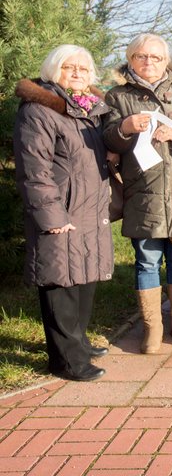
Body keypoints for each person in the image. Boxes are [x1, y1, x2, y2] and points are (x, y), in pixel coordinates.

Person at [13, 45, 113, 381]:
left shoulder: (89, 111)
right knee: (60, 285)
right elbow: (34, 170)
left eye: (83, 69)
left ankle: (77, 344)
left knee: (83, 282)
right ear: (54, 71)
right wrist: (52, 217)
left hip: (88, 211)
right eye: (69, 68)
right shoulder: (39, 111)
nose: (77, 74)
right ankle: (67, 361)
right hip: (61, 211)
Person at [103, 34, 172, 354]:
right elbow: (107, 142)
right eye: (141, 57)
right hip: (142, 190)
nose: (149, 63)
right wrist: (125, 127)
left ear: (166, 61)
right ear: (130, 60)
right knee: (146, 261)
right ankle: (152, 327)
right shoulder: (116, 97)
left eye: (156, 58)